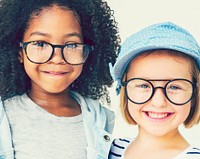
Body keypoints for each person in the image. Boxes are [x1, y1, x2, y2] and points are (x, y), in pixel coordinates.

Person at [0, 0, 120, 158]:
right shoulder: (5, 116)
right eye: (41, 43)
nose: (56, 59)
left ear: (88, 52)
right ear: (19, 52)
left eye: (71, 45)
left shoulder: (100, 119)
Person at [109, 22, 200, 159]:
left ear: (194, 95)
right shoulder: (109, 149)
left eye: (174, 87)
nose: (158, 102)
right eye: (144, 85)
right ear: (125, 91)